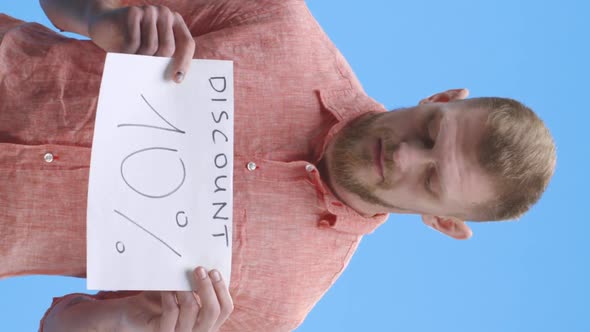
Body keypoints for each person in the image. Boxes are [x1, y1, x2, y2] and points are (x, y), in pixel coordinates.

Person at [0, 0, 556, 331]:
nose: (406, 154)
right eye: (431, 133)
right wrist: (104, 14)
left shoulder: (276, 306)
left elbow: (60, 325)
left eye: (432, 180)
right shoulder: (278, 21)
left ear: (444, 223)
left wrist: (117, 325)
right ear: (440, 98)